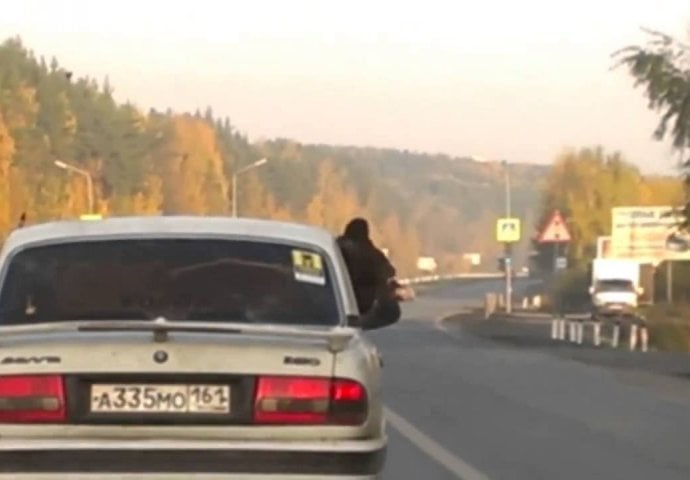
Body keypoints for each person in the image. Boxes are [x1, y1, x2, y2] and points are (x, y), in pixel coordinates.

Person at [337, 218, 402, 327]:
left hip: (338, 297)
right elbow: (389, 271)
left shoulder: (338, 246)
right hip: (364, 303)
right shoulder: (369, 251)